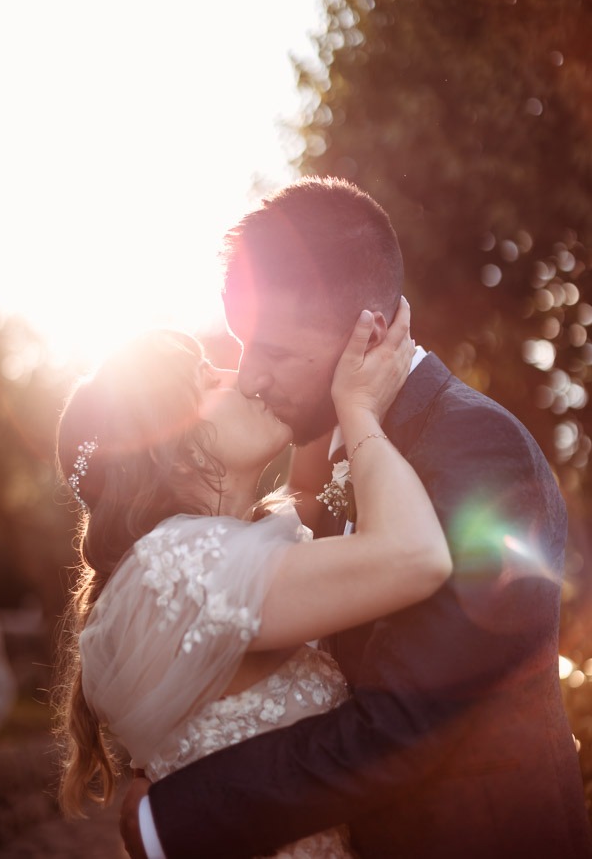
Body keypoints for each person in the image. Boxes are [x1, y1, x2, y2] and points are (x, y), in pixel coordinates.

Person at [121, 176, 592, 859]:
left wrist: (171, 820)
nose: (250, 377)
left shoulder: (477, 449)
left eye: (276, 351)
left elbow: (403, 724)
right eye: (244, 345)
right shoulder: (338, 452)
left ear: (366, 333)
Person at [54, 317, 452, 859]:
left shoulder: (225, 553)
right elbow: (416, 555)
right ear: (171, 448)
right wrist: (359, 409)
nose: (240, 377)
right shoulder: (174, 568)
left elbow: (307, 490)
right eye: (207, 380)